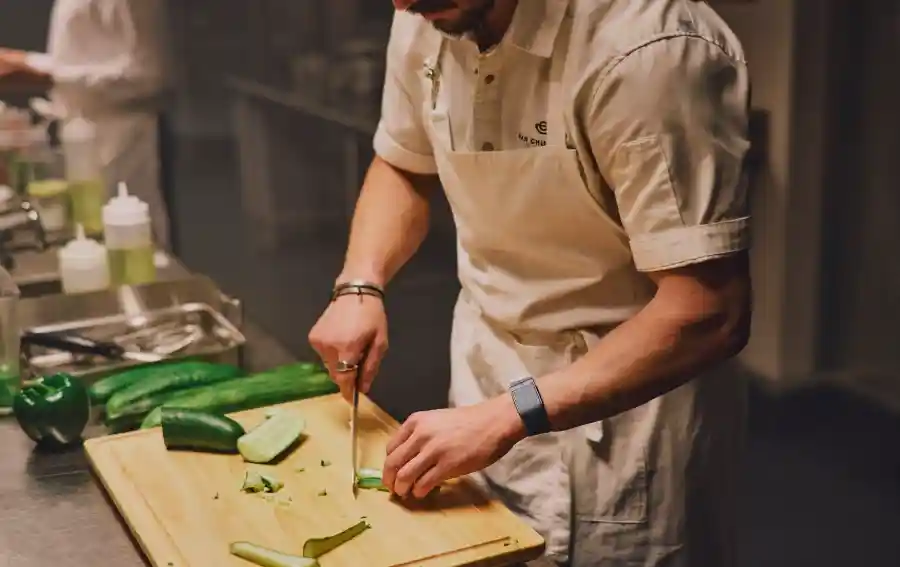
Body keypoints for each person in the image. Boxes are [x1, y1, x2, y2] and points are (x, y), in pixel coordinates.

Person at [308, 1, 753, 565]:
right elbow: (403, 161)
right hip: (481, 388)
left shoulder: (653, 50)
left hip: (625, 428)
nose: (403, 4)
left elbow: (710, 310)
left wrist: (508, 414)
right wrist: (360, 284)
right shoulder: (425, 10)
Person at [0, 0, 175, 250]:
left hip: (125, 147)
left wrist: (45, 73)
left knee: (136, 249)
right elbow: (76, 56)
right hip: (78, 143)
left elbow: (150, 74)